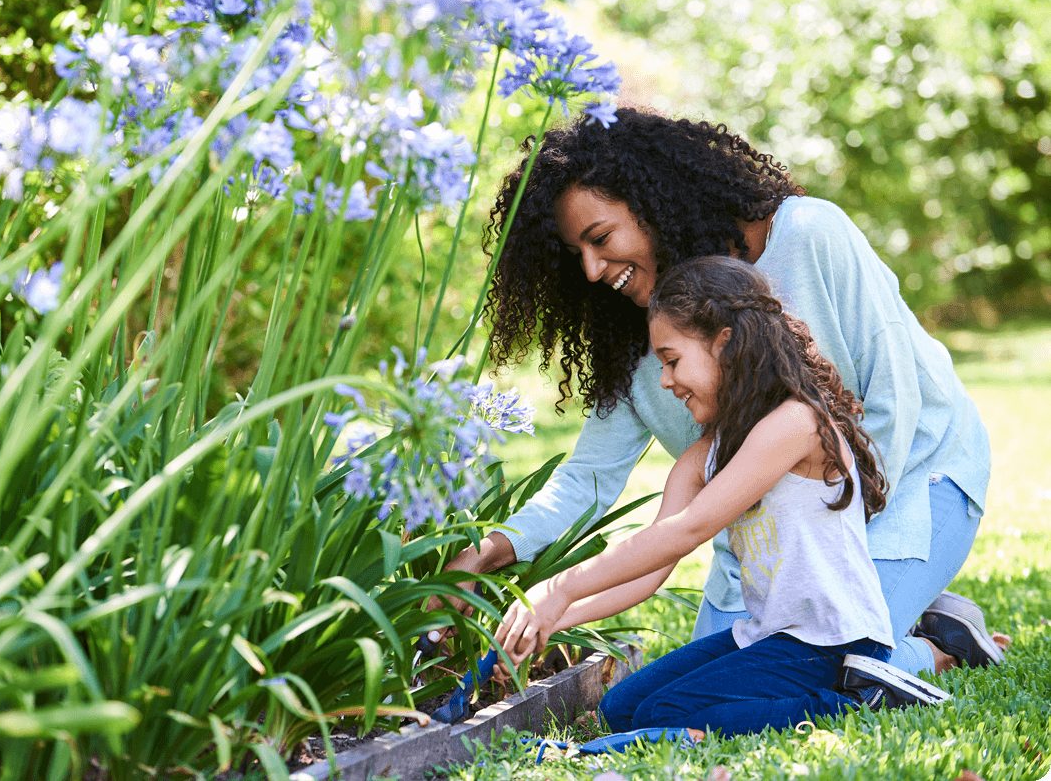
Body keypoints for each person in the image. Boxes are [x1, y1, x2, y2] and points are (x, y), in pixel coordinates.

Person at [431, 107, 1006, 680]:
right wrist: (492, 549)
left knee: (824, 666)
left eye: (600, 238)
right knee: (710, 678)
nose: (589, 269)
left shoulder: (807, 235)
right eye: (574, 253)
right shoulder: (643, 345)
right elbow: (587, 479)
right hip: (773, 542)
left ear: (653, 202)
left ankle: (933, 646)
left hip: (912, 483)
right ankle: (917, 616)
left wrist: (835, 564)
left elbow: (895, 400)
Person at [493, 257, 947, 741]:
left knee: (662, 714)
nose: (665, 380)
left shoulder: (796, 424)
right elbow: (653, 562)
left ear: (724, 343)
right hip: (770, 636)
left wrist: (560, 587)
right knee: (622, 708)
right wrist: (553, 620)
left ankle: (863, 701)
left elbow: (687, 530)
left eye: (672, 360)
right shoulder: (704, 454)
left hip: (833, 643)